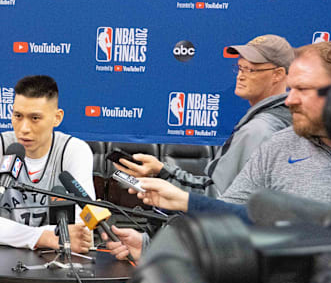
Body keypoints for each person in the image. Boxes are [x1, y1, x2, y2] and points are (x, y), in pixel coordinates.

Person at [106, 41, 331, 261]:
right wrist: (152, 246)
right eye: (292, 89)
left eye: (302, 89)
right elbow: (230, 218)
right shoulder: (278, 146)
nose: (289, 100)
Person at [126, 35, 293, 196]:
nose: (240, 76)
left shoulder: (258, 131)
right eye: (240, 68)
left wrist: (164, 176)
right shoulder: (292, 119)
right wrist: (162, 170)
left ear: (277, 74)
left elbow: (219, 198)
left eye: (250, 70)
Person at [0, 75, 95, 253]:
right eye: (18, 116)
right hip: (1, 257)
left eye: (35, 118)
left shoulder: (74, 150)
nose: (24, 128)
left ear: (57, 118)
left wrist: (12, 234)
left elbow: (83, 225)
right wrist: (45, 237)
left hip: (54, 260)